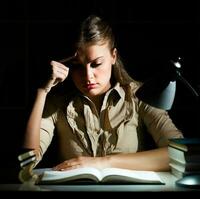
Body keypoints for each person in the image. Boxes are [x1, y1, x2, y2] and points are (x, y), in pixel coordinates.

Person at [23, 15, 183, 172]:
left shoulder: (138, 95)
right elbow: (26, 165)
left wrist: (103, 162)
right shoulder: (56, 103)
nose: (88, 76)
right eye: (77, 66)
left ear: (113, 56)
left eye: (96, 64)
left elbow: (179, 153)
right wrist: (42, 91)